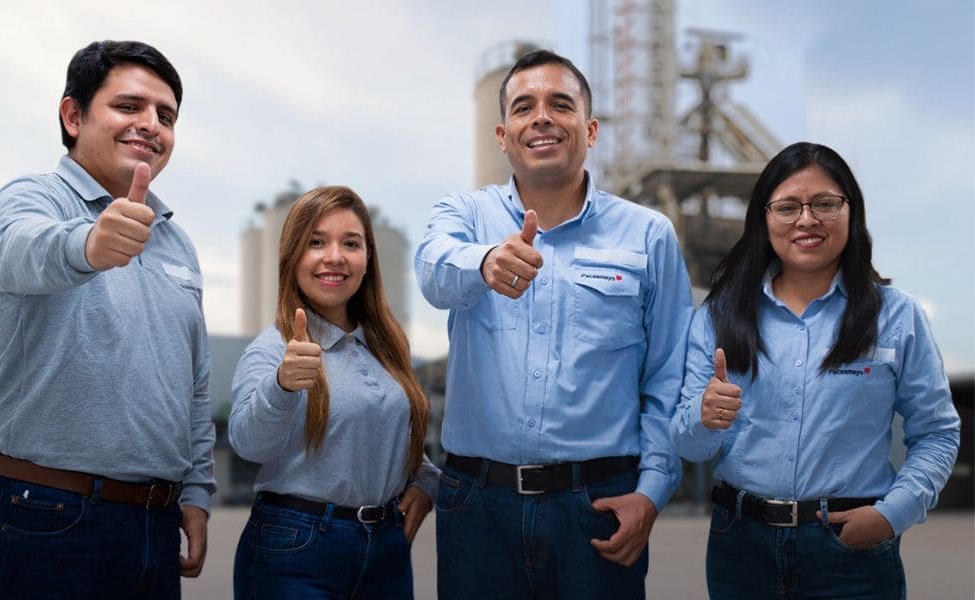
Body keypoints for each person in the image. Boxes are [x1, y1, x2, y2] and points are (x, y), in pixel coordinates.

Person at [415, 49, 694, 599]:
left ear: (590, 129)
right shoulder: (465, 216)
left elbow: (667, 375)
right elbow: (431, 270)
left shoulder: (648, 235)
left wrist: (652, 491)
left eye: (560, 105)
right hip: (477, 508)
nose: (541, 117)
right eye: (524, 107)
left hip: (597, 506)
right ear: (503, 136)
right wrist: (485, 261)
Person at [0, 40, 215, 598]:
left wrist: (197, 492)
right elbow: (18, 249)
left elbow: (195, 385)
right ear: (73, 116)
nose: (151, 124)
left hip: (155, 523)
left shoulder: (178, 243)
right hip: (45, 516)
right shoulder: (31, 198)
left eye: (166, 116)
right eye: (129, 106)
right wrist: (87, 244)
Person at [670, 141, 961, 598]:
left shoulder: (896, 317)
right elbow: (690, 447)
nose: (806, 220)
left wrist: (891, 515)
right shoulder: (720, 316)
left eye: (825, 203)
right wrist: (704, 417)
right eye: (787, 207)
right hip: (741, 549)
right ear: (764, 219)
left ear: (851, 211)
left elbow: (937, 433)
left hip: (851, 551)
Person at [229, 185, 439, 599]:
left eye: (351, 243)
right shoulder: (274, 348)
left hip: (386, 552)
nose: (335, 257)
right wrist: (282, 385)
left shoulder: (385, 348)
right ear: (292, 256)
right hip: (297, 550)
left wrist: (425, 481)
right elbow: (247, 444)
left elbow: (387, 432)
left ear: (368, 259)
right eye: (316, 242)